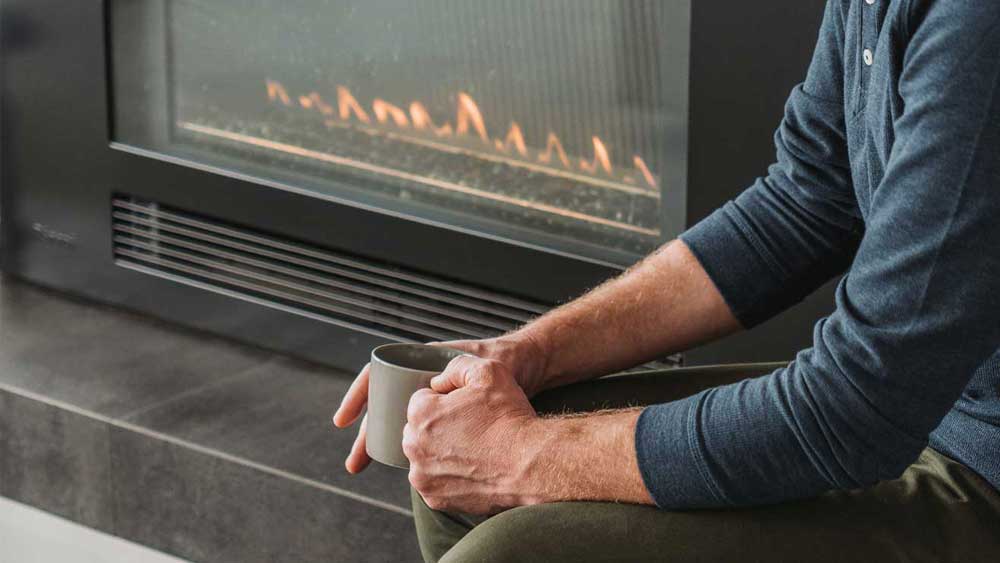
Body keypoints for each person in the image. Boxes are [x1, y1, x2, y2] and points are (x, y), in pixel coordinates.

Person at [334, 1, 1000, 560]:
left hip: (980, 466)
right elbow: (806, 200)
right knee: (456, 466)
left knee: (511, 551)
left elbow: (856, 408)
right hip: (915, 409)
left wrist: (522, 455)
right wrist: (521, 355)